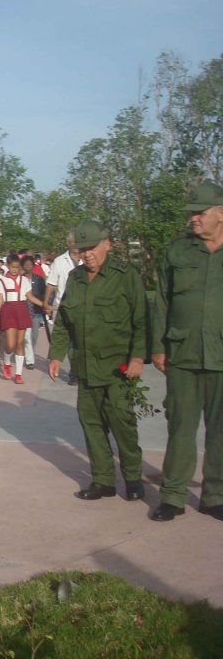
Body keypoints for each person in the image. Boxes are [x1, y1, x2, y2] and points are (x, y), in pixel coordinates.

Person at [48, 220, 147, 503]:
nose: (86, 254)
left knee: (122, 423)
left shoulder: (125, 276)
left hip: (117, 368)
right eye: (81, 249)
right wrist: (56, 355)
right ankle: (103, 480)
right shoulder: (76, 278)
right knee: (91, 423)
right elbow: (64, 321)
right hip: (86, 366)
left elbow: (141, 320)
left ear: (108, 244)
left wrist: (138, 356)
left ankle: (133, 478)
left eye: (91, 247)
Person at [149, 180, 223, 522]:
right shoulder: (178, 249)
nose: (193, 219)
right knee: (181, 426)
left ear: (220, 214)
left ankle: (214, 495)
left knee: (221, 429)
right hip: (182, 352)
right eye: (191, 213)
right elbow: (162, 301)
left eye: (199, 213)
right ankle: (173, 496)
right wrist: (158, 347)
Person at [0, 254, 42, 384]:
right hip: (8, 311)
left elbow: (29, 296)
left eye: (17, 267)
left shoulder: (23, 280)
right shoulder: (2, 281)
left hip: (21, 310)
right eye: (12, 267)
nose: (15, 270)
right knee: (10, 345)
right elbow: (0, 300)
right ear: (7, 266)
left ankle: (18, 374)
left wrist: (43, 304)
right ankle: (7, 362)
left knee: (20, 343)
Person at [44, 234, 83, 384]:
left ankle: (79, 369)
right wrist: (46, 302)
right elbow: (51, 284)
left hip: (83, 307)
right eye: (72, 241)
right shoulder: (59, 262)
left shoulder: (86, 259)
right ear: (68, 243)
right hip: (64, 307)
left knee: (80, 341)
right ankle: (75, 372)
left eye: (77, 241)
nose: (75, 244)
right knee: (69, 341)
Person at [21, 255, 46, 370]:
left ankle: (29, 354)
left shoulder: (39, 279)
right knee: (26, 337)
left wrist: (45, 305)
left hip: (36, 311)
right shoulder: (20, 279)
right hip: (23, 311)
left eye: (30, 264)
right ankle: (29, 360)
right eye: (25, 265)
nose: (28, 267)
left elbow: (44, 294)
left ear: (33, 266)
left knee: (34, 336)